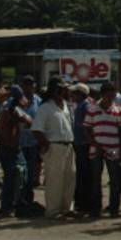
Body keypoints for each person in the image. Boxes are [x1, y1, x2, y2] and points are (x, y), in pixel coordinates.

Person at [31, 77, 76, 220]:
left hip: (68, 145)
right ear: (56, 90)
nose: (66, 91)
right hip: (54, 145)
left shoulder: (65, 105)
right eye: (63, 89)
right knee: (54, 180)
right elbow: (36, 129)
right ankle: (53, 210)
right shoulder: (46, 107)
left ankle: (66, 208)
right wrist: (45, 144)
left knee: (69, 178)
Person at [85, 82, 121, 218]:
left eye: (113, 95)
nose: (111, 97)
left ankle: (114, 209)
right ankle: (95, 209)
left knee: (114, 180)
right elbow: (87, 129)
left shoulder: (118, 110)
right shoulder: (92, 109)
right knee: (95, 180)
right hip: (95, 150)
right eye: (109, 95)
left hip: (113, 149)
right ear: (102, 95)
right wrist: (95, 145)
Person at [0, 85, 28, 217]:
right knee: (11, 177)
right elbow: (2, 130)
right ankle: (6, 206)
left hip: (15, 148)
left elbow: (28, 120)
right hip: (8, 148)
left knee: (19, 176)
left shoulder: (15, 109)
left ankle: (13, 203)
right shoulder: (7, 110)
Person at [18, 75, 41, 209]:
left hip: (33, 143)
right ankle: (19, 201)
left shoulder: (39, 101)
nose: (29, 87)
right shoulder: (15, 101)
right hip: (19, 143)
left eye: (31, 85)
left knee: (31, 174)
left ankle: (29, 200)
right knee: (20, 174)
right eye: (26, 85)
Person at [69, 82, 92, 214]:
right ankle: (81, 204)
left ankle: (84, 205)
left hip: (84, 145)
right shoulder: (80, 106)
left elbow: (87, 127)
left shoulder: (86, 106)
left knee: (84, 176)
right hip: (79, 145)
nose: (72, 95)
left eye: (75, 93)